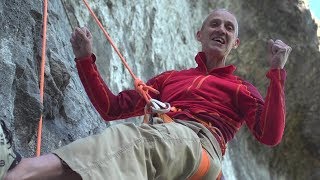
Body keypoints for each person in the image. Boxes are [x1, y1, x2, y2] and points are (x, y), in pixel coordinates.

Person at [1, 9, 292, 180]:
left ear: (235, 43)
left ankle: (21, 169)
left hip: (199, 146)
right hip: (168, 145)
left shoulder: (240, 88)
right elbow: (111, 108)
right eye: (214, 24)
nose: (221, 30)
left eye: (229, 28)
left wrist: (277, 73)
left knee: (132, 139)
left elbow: (270, 135)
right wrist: (85, 61)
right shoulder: (170, 79)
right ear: (199, 35)